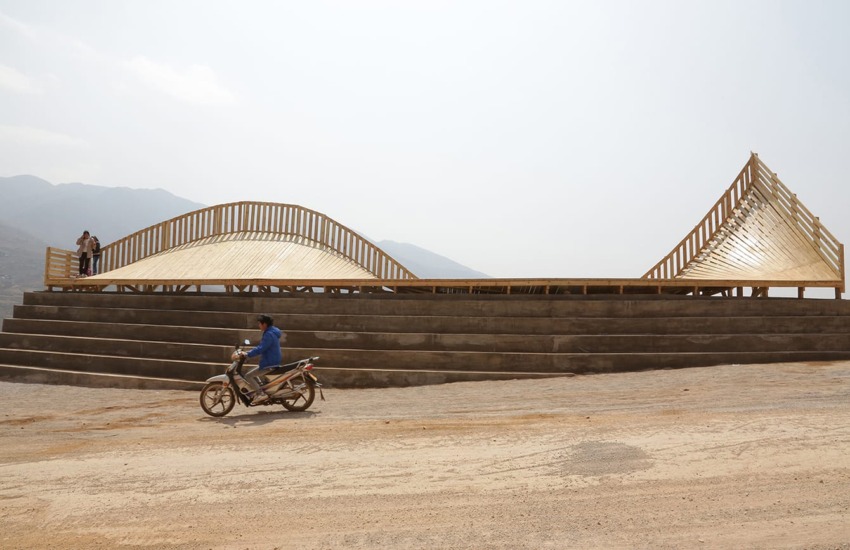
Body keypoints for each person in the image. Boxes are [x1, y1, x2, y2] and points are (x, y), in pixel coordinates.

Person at [239, 314, 283, 404]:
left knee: (248, 376)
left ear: (264, 324)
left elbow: (261, 348)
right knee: (251, 372)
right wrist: (248, 353)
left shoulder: (269, 334)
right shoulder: (272, 332)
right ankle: (260, 390)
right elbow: (261, 347)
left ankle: (260, 394)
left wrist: (248, 354)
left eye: (260, 323)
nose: (259, 325)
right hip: (272, 360)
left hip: (269, 363)